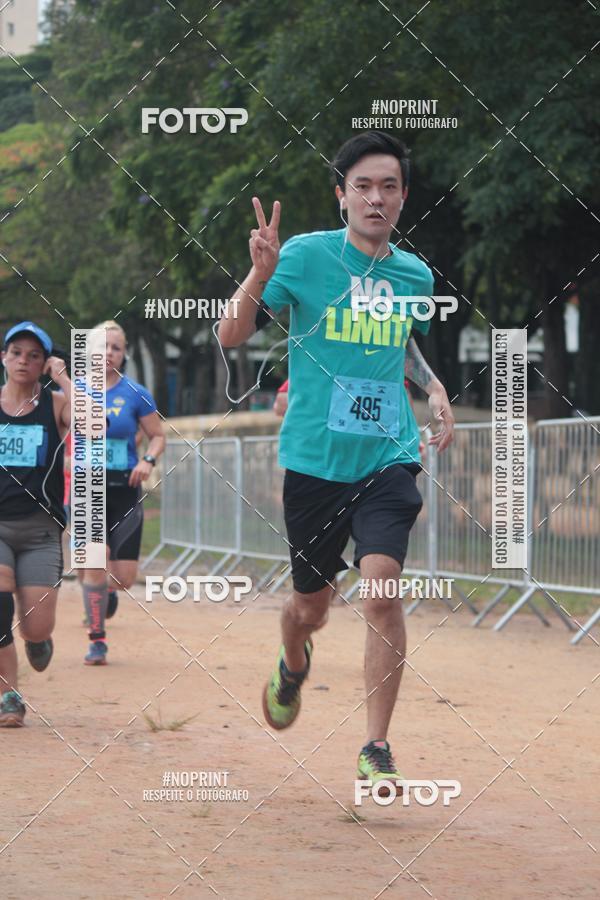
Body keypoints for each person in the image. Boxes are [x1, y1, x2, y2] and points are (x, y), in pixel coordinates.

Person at [219, 131, 454, 790]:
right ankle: (293, 660)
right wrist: (259, 273)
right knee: (311, 609)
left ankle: (376, 745)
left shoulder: (414, 275)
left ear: (403, 198)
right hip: (316, 461)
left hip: (388, 454)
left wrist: (433, 387)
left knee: (382, 589)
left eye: (388, 186)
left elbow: (400, 343)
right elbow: (230, 333)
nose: (376, 197)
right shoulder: (305, 256)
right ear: (341, 196)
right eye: (363, 186)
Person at [76, 321, 165, 665]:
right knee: (94, 564)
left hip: (125, 489)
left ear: (124, 354)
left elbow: (158, 436)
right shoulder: (76, 390)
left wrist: (147, 460)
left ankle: (104, 592)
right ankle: (97, 640)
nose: (108, 353)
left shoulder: (135, 393)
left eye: (115, 347)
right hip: (88, 489)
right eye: (102, 346)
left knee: (124, 578)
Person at [0, 321, 71, 727]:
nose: (23, 361)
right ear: (3, 358)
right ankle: (9, 695)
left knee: (36, 626)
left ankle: (37, 640)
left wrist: (63, 379)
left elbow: (95, 424)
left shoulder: (55, 404)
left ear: (45, 362)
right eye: (16, 353)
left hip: (40, 531)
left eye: (34, 355)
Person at [274, 377, 427, 464]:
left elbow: (403, 394)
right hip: (325, 463)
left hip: (379, 464)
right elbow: (280, 403)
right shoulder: (324, 361)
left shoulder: (385, 361)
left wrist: (411, 435)